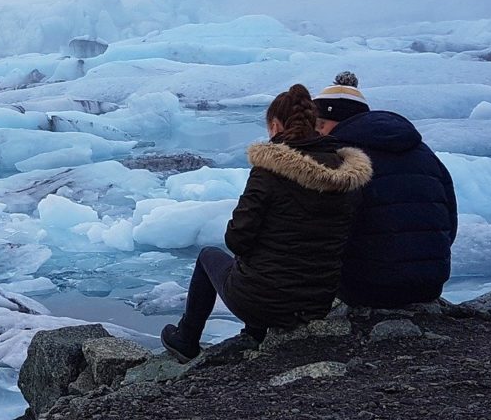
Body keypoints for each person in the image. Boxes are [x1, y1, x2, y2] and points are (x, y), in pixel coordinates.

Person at [161, 84, 372, 362]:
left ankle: (187, 338)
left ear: (275, 126)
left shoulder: (268, 172)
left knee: (208, 257)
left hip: (263, 301)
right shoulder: (346, 175)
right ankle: (256, 333)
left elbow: (237, 239)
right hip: (317, 301)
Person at [314, 72, 458, 307]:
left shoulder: (340, 157)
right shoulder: (424, 152)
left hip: (366, 288)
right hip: (430, 284)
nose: (317, 132)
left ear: (332, 121)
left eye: (319, 124)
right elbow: (450, 219)